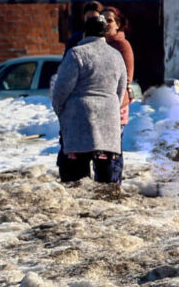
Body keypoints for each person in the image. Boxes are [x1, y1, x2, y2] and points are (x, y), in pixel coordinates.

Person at [52, 15, 127, 184]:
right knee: (105, 175)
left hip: (80, 118)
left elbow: (61, 90)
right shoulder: (116, 56)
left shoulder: (76, 54)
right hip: (108, 121)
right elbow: (120, 91)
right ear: (104, 34)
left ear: (84, 34)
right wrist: (112, 108)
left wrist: (61, 112)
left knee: (76, 177)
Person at [101, 6, 135, 126]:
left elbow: (126, 77)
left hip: (117, 104)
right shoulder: (98, 44)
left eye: (109, 20)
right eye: (102, 20)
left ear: (117, 24)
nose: (105, 23)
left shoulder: (122, 45)